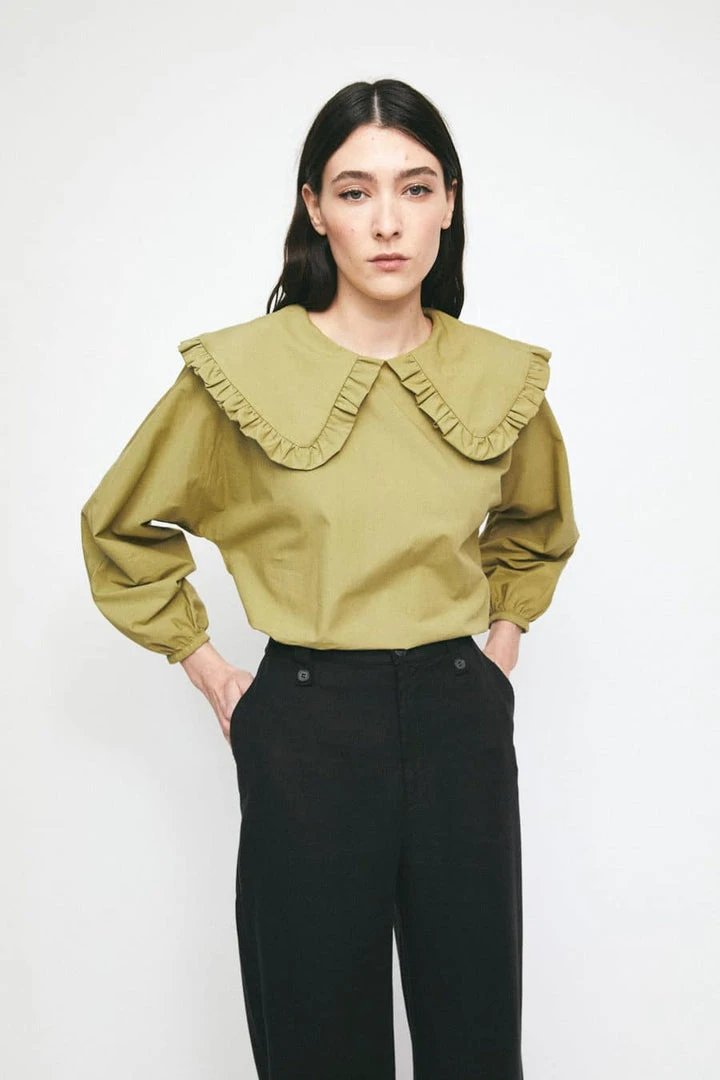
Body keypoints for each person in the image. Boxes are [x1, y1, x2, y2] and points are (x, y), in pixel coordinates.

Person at [80, 78, 580, 1080]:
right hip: (308, 723)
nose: (388, 221)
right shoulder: (238, 374)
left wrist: (498, 649)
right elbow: (120, 528)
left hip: (459, 716)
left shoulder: (500, 377)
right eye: (356, 191)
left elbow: (536, 524)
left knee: (478, 1038)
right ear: (314, 207)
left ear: (449, 203)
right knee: (317, 1042)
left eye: (415, 187)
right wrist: (214, 673)